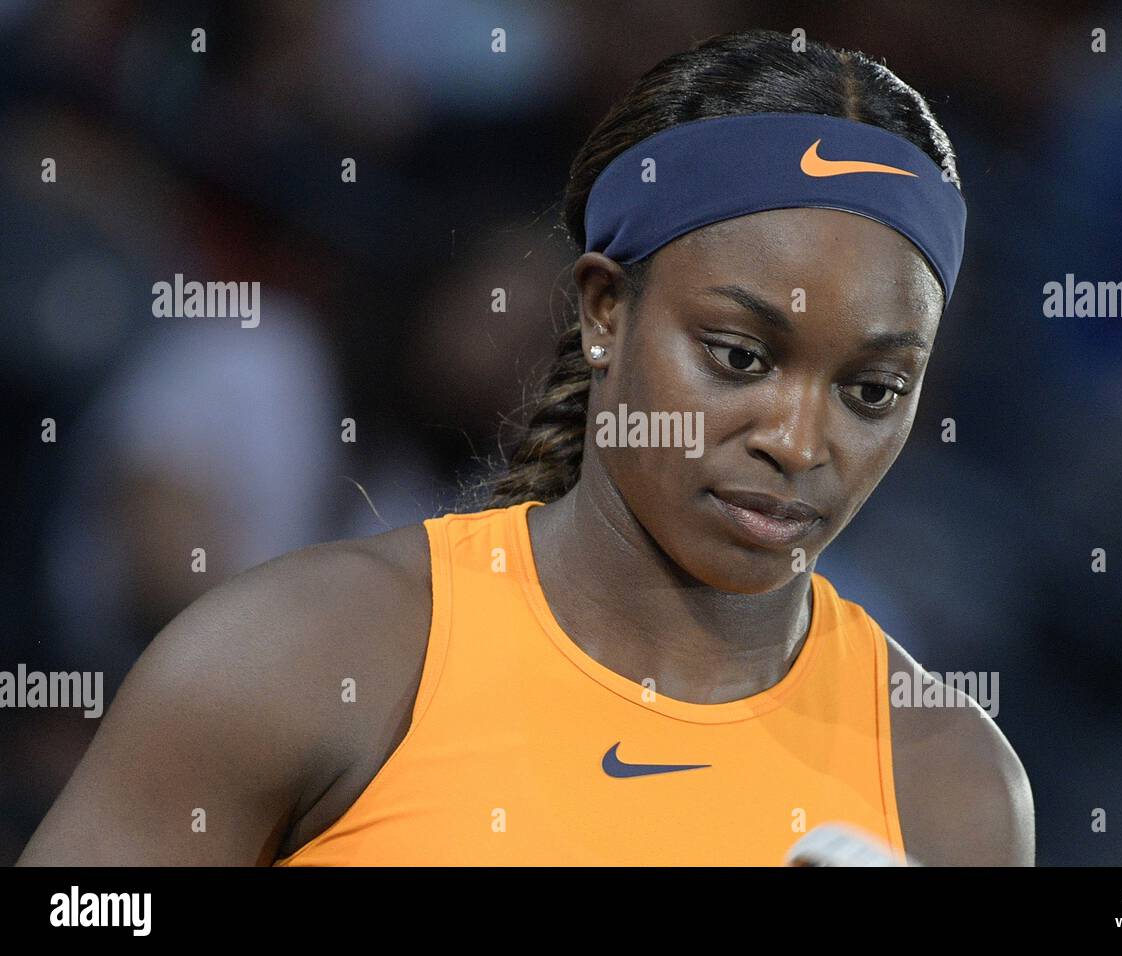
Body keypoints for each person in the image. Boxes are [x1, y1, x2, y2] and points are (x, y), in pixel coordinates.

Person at [18, 28, 1033, 867]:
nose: (798, 441)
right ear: (603, 310)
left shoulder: (949, 784)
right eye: (735, 354)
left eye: (870, 389)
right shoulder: (305, 651)